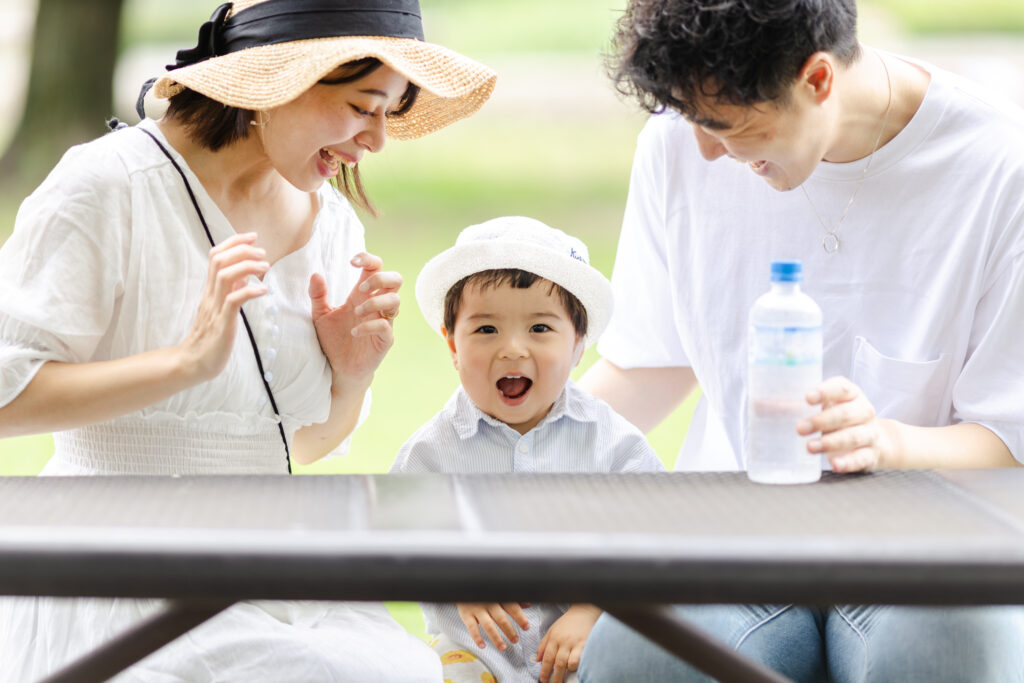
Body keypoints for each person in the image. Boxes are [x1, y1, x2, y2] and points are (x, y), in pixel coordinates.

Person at [0, 0, 496, 680]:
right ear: (280, 80)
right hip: (117, 573)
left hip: (267, 568)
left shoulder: (331, 224)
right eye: (363, 105)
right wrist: (181, 364)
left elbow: (297, 446)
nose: (377, 139)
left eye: (391, 111)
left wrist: (349, 374)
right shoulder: (107, 187)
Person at [574, 0, 1024, 681]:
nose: (703, 148)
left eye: (722, 124)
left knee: (953, 639)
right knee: (634, 651)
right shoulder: (676, 146)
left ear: (817, 79)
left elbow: (1009, 439)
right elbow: (649, 363)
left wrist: (890, 442)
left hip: (925, 552)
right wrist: (503, 443)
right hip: (736, 547)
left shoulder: (997, 167)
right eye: (689, 117)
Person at [390, 216, 665, 683]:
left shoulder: (613, 445)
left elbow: (657, 532)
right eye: (486, 330)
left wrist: (593, 609)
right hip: (470, 658)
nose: (512, 349)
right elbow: (391, 540)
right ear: (451, 344)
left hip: (585, 652)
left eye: (540, 328)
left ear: (578, 345)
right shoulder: (431, 454)